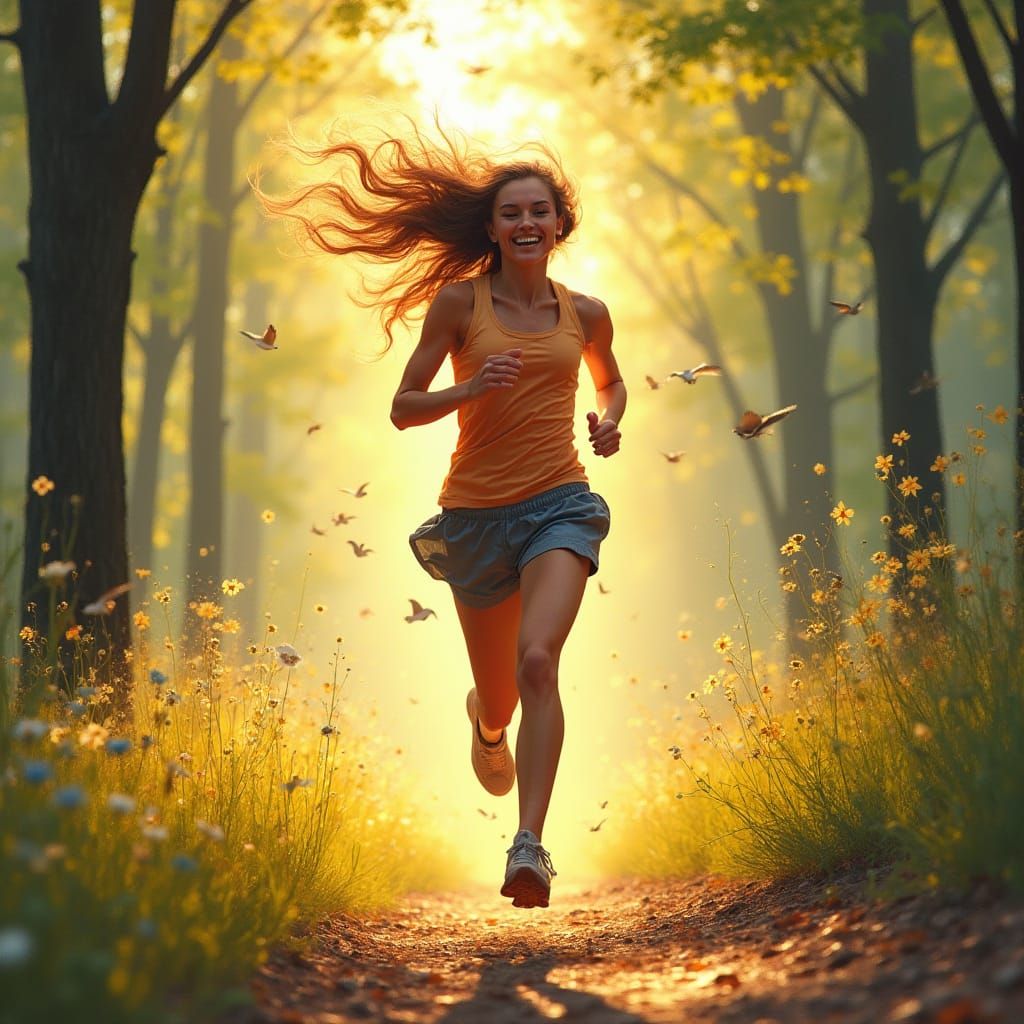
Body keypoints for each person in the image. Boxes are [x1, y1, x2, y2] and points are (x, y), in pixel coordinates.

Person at [261, 124, 626, 909]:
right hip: (475, 518)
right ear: (492, 229)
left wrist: (607, 420)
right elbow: (402, 408)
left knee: (540, 664)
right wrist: (468, 389)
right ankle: (487, 726)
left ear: (560, 223)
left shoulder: (588, 312)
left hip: (561, 503)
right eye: (511, 214)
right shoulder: (459, 304)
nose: (527, 224)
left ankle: (529, 845)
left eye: (540, 211)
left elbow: (610, 383)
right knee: (501, 695)